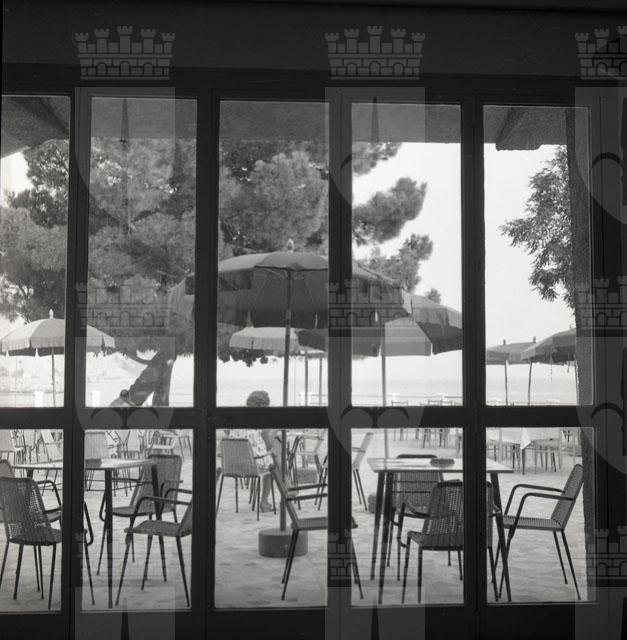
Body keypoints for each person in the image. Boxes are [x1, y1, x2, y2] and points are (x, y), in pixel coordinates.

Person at [228, 390, 278, 512]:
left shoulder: (236, 418)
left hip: (232, 464)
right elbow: (267, 446)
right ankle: (265, 501)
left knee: (274, 456)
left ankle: (287, 485)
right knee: (273, 461)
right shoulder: (260, 421)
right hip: (252, 465)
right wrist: (275, 430)